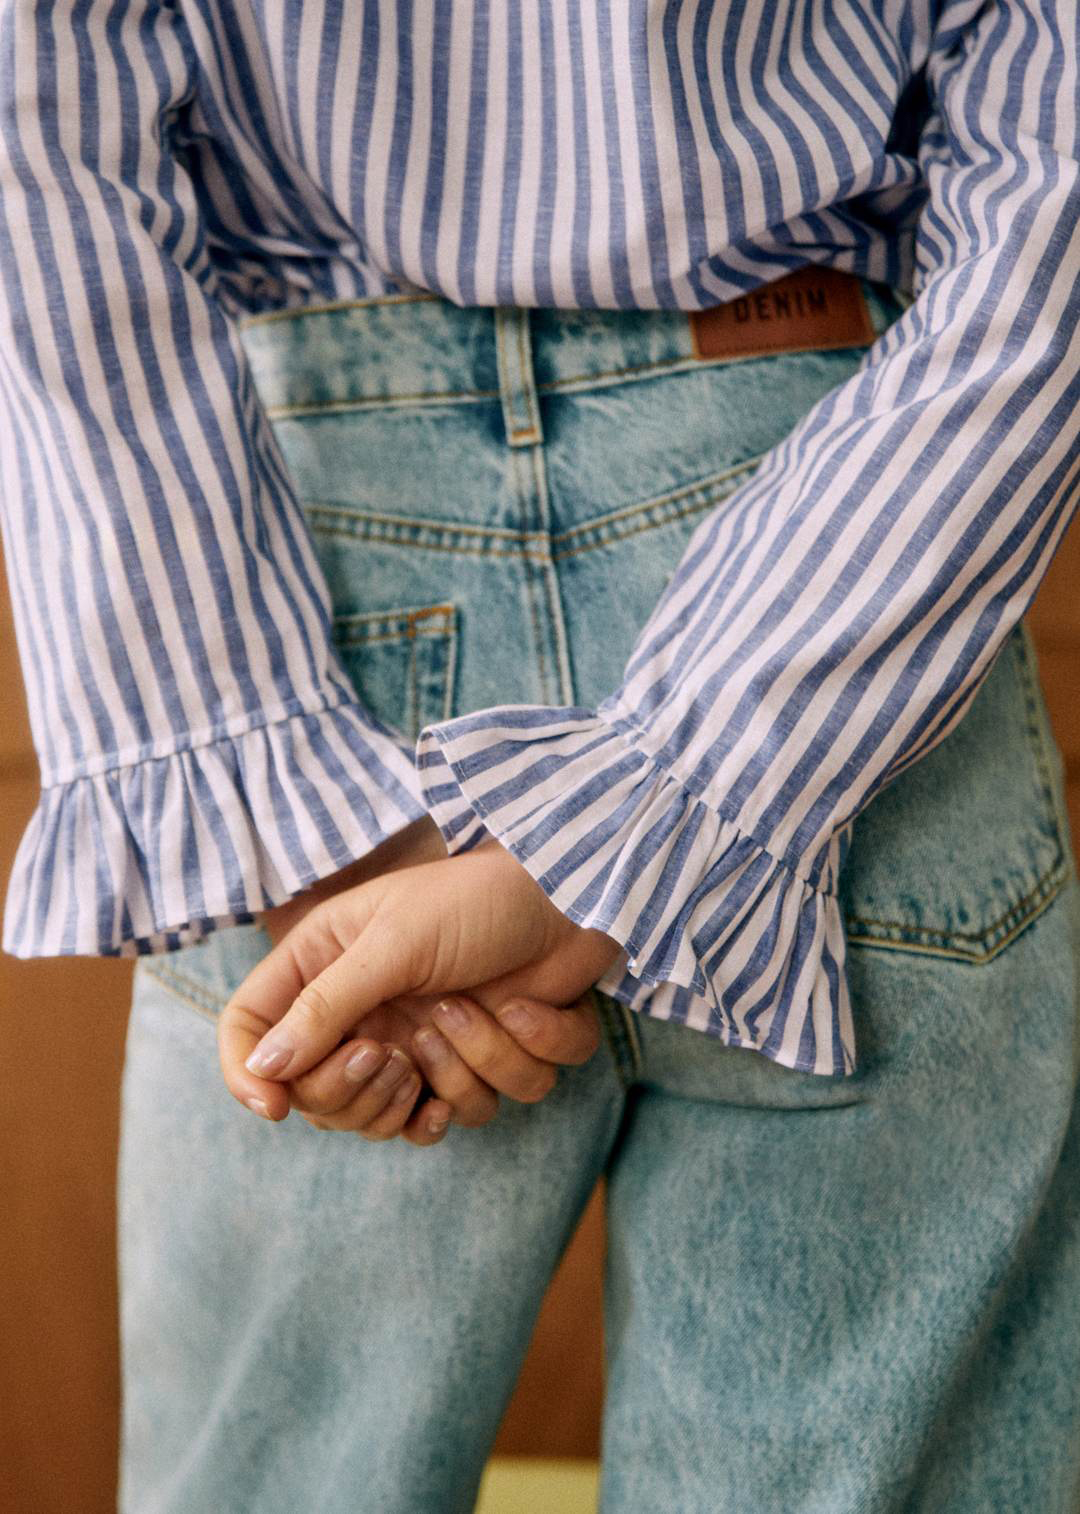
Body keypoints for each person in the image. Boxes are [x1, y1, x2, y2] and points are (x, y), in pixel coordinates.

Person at [2, 2, 1079, 1511]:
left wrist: (288, 801)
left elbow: (34, 132)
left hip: (326, 611)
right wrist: (688, 791)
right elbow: (1055, 192)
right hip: (865, 574)